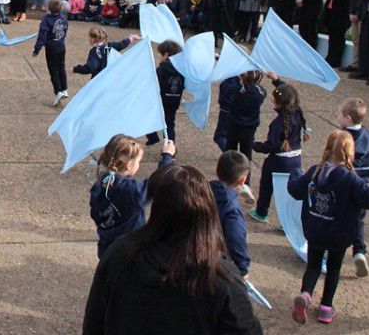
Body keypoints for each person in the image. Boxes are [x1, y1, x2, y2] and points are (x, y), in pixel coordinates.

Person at [83, 163, 263, 335]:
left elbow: (94, 324)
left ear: (157, 208)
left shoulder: (120, 252)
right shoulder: (222, 276)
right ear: (208, 212)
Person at [288, 130, 369, 325]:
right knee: (334, 268)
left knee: (313, 265)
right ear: (351, 154)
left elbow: (294, 189)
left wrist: (295, 172)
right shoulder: (351, 180)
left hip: (316, 230)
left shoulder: (314, 172)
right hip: (338, 234)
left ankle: (306, 295)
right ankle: (326, 308)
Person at [90, 135, 176, 258]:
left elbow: (95, 213)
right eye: (138, 161)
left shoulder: (100, 184)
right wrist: (167, 156)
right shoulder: (131, 189)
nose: (139, 164)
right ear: (129, 165)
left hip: (107, 251)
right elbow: (159, 184)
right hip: (130, 253)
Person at [335, 98, 369, 278]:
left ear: (347, 118)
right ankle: (359, 251)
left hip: (342, 184)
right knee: (358, 219)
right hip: (362, 184)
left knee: (337, 215)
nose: (337, 117)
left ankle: (329, 248)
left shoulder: (340, 137)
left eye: (339, 114)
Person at [249, 83, 307, 223]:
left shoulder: (278, 124)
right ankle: (287, 222)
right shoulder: (297, 113)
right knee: (290, 191)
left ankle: (261, 212)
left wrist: (254, 145)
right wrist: (276, 80)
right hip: (296, 159)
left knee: (267, 185)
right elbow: (288, 91)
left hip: (278, 161)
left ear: (279, 103)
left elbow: (271, 146)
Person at [227, 71, 283, 203]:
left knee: (230, 155)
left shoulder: (235, 89)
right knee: (246, 157)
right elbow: (277, 90)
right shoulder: (260, 92)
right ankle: (246, 184)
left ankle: (228, 183)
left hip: (234, 127)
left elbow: (228, 86)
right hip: (249, 130)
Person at [209, 151, 252, 278]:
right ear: (242, 180)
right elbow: (236, 238)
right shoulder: (232, 209)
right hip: (217, 260)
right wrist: (242, 268)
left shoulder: (203, 191)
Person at [146, 40, 185, 145]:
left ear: (166, 54)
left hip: (161, 100)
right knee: (169, 124)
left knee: (149, 116)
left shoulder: (161, 69)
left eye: (160, 54)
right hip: (174, 100)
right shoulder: (182, 69)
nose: (159, 57)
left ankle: (152, 137)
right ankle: (170, 146)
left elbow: (155, 85)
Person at [33, 0, 69, 106]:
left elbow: (42, 37)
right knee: (61, 68)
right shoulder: (63, 18)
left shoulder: (46, 20)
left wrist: (37, 49)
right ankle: (64, 88)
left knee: (53, 70)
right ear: (61, 7)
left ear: (48, 8)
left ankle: (58, 91)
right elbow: (65, 29)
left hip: (51, 49)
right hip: (61, 47)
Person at [323, 0, 356, 67]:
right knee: (332, 36)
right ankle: (330, 57)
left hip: (341, 12)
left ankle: (336, 60)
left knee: (339, 37)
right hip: (331, 10)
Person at [72, 27, 139, 79]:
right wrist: (131, 39)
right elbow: (121, 45)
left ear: (92, 39)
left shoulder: (94, 52)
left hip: (97, 80)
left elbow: (90, 68)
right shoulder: (110, 45)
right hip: (109, 78)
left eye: (89, 37)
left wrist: (75, 69)